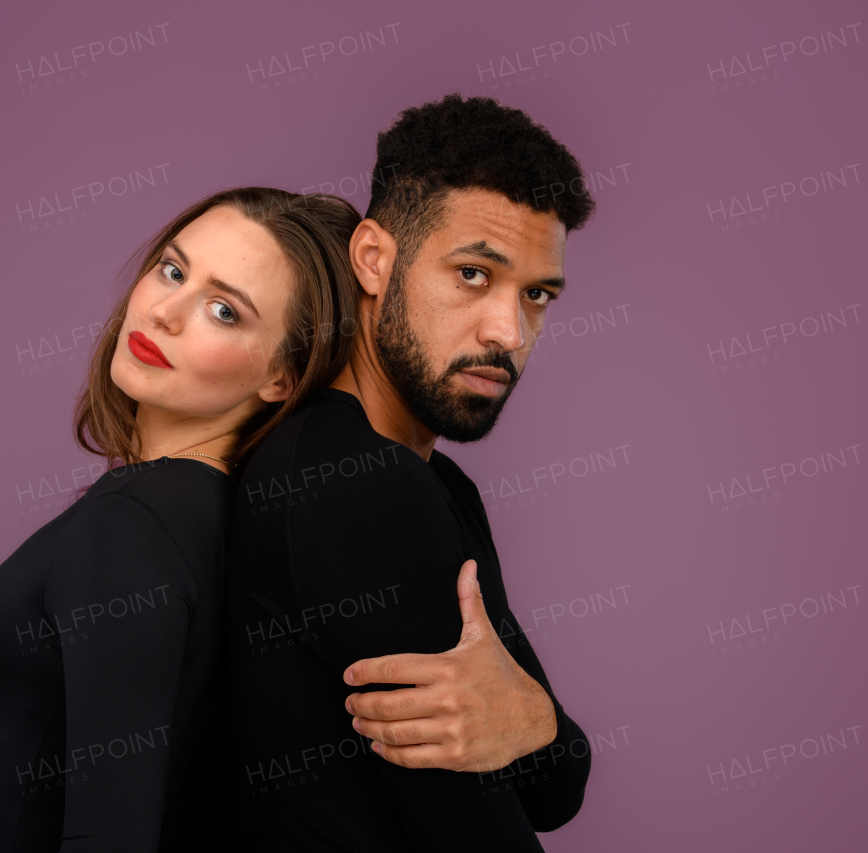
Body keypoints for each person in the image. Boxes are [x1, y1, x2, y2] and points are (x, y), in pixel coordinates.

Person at [224, 94, 596, 851]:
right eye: (472, 274)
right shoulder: (349, 481)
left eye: (537, 294)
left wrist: (538, 722)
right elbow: (486, 828)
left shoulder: (437, 482)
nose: (508, 331)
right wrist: (548, 730)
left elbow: (556, 786)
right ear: (373, 258)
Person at [0, 187, 361, 852]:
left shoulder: (133, 523)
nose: (165, 312)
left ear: (282, 376)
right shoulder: (229, 523)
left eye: (224, 311)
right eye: (172, 269)